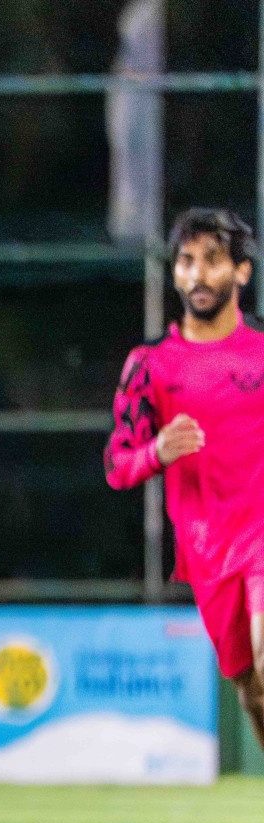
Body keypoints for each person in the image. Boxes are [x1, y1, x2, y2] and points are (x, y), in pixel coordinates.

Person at [105, 207, 264, 755]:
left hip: (261, 538)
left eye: (213, 261)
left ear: (242, 272)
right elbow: (118, 466)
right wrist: (157, 450)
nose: (198, 275)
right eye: (187, 261)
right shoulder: (151, 364)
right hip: (206, 549)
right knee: (252, 688)